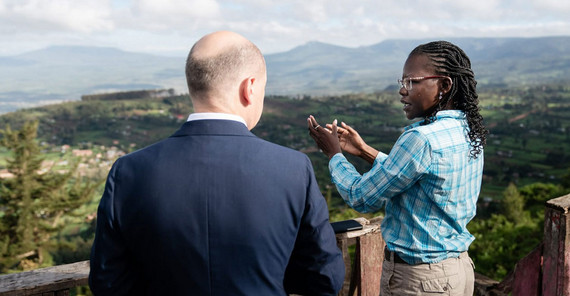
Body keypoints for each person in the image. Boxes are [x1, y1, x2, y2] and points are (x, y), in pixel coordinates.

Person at [89, 31, 344, 296]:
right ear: (250, 88)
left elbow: (106, 281)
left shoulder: (128, 171)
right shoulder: (293, 169)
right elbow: (324, 279)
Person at [307, 40, 487, 295]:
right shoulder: (468, 130)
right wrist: (363, 151)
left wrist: (334, 154)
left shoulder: (421, 139)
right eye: (402, 82)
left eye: (412, 82)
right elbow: (414, 175)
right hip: (457, 272)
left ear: (444, 85)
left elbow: (362, 197)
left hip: (419, 281)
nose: (403, 90)